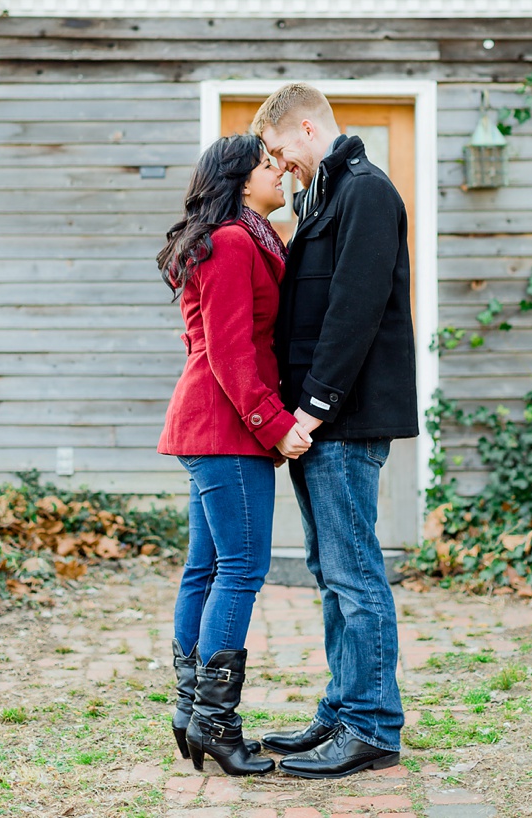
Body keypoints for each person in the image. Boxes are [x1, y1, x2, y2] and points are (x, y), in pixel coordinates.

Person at [252, 83, 418, 779]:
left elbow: (353, 310)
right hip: (317, 425)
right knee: (331, 572)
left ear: (308, 127)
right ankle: (343, 709)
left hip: (340, 422)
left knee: (356, 576)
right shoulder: (322, 197)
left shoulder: (367, 192)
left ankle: (374, 728)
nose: (278, 161)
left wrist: (311, 411)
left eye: (280, 147)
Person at [156, 133, 316, 777]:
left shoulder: (243, 237)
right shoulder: (229, 241)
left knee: (206, 567)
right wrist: (274, 425)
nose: (279, 171)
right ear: (241, 179)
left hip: (211, 425)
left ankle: (192, 707)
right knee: (242, 569)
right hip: (225, 428)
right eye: (268, 164)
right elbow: (228, 353)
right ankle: (216, 723)